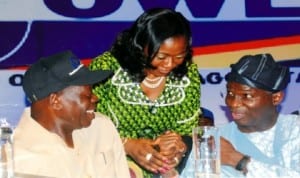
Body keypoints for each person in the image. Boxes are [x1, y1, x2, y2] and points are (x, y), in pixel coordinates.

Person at [89, 8, 201, 178]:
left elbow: (187, 130)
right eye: (161, 56)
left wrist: (177, 149)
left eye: (179, 57)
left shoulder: (188, 74)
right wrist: (127, 145)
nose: (169, 64)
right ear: (141, 47)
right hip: (107, 162)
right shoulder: (106, 68)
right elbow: (85, 124)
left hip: (163, 167)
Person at [13, 50, 131, 178]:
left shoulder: (102, 128)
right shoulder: (20, 160)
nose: (95, 98)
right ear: (56, 101)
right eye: (87, 95)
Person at [220, 53, 300, 177]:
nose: (234, 103)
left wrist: (238, 160)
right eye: (230, 93)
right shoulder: (216, 138)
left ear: (276, 98)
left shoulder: (294, 130)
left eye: (247, 95)